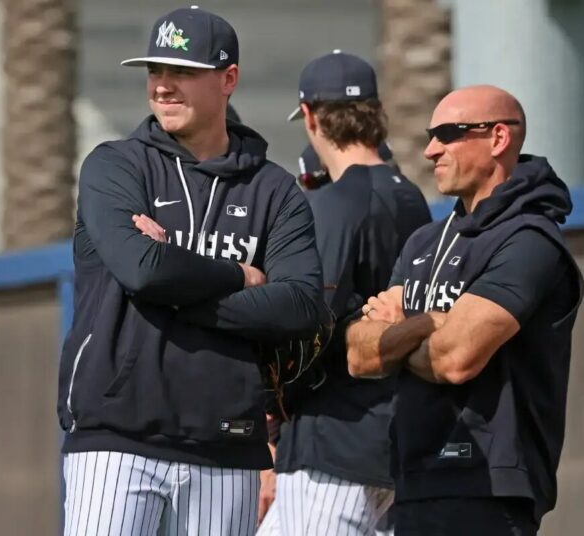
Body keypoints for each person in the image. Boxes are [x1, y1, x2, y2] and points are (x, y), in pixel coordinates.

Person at [56, 6, 327, 535]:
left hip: (226, 443)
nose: (162, 86)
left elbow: (300, 305)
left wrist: (175, 282)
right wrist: (238, 274)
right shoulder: (115, 165)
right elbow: (144, 271)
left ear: (228, 79)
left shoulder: (273, 191)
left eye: (182, 71)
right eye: (155, 71)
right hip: (116, 439)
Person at [346, 85, 583, 536]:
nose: (432, 149)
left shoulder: (530, 239)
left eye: (450, 133)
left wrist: (397, 334)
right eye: (431, 134)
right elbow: (359, 355)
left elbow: (455, 360)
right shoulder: (424, 241)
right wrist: (427, 322)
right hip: (413, 479)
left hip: (487, 486)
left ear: (498, 139)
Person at [256, 51, 431, 536]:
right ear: (374, 111)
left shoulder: (333, 203)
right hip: (395, 439)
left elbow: (303, 328)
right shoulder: (410, 195)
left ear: (310, 117)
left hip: (333, 446)